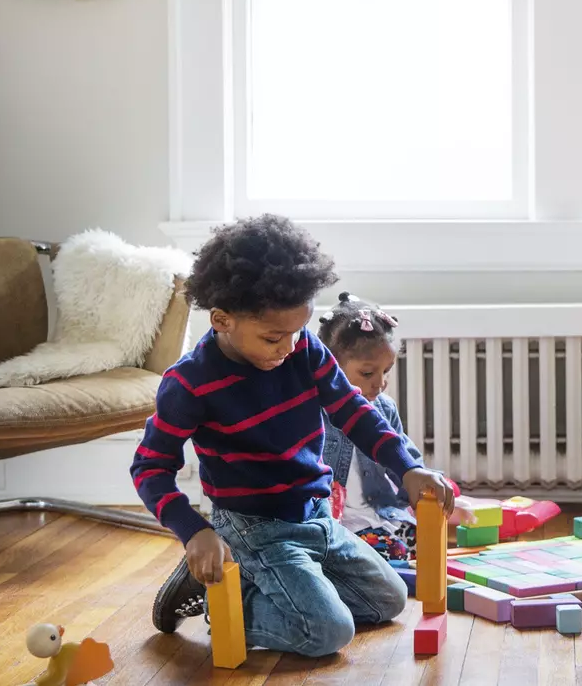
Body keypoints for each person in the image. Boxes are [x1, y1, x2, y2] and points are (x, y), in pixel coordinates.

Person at [131, 214, 454, 658]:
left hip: (317, 515)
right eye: (272, 337)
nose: (286, 348)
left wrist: (408, 467)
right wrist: (194, 532)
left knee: (390, 599)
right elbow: (151, 467)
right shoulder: (189, 383)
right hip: (255, 527)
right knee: (328, 633)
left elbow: (355, 412)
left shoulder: (304, 348)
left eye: (296, 331)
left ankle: (257, 581)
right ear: (222, 320)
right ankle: (220, 597)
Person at [317, 292, 461, 562]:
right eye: (368, 373)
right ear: (330, 367)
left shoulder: (384, 407)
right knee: (380, 554)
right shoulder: (313, 413)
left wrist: (431, 496)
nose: (380, 383)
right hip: (336, 522)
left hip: (380, 514)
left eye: (387, 370)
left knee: (427, 545)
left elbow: (405, 461)